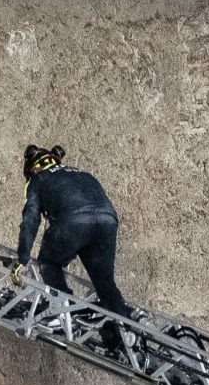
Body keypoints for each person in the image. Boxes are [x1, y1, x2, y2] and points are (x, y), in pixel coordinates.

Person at [11, 145, 142, 345]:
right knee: (104, 281)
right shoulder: (83, 174)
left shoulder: (38, 179)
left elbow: (31, 218)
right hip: (107, 222)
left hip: (73, 221)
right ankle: (124, 330)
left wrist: (22, 258)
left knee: (48, 262)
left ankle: (60, 311)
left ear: (32, 168)